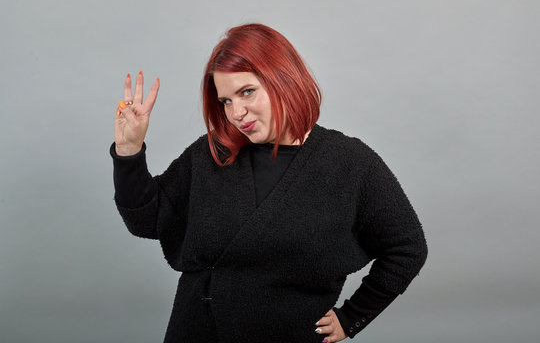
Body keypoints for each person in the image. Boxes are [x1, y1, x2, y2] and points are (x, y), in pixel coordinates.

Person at [110, 23, 428, 343]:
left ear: (283, 79)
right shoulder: (212, 153)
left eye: (247, 92)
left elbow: (407, 247)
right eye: (226, 101)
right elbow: (146, 219)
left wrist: (353, 316)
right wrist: (129, 151)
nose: (237, 112)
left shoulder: (351, 164)